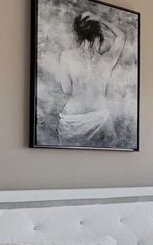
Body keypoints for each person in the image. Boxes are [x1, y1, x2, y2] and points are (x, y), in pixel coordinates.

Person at [56, 11, 130, 146]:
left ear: (79, 36)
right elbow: (121, 36)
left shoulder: (66, 56)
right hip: (100, 117)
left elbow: (66, 90)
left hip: (72, 120)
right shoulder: (106, 60)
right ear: (98, 38)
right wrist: (101, 19)